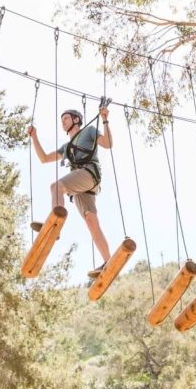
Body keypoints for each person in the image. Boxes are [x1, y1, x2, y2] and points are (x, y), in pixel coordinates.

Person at [28, 105, 114, 278]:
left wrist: (105, 119)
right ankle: (108, 262)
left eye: (66, 118)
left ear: (76, 119)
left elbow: (108, 144)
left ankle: (55, 227)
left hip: (89, 174)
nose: (63, 122)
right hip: (81, 186)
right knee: (91, 220)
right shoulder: (66, 147)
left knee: (56, 187)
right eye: (61, 120)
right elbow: (44, 159)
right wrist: (34, 137)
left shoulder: (88, 131)